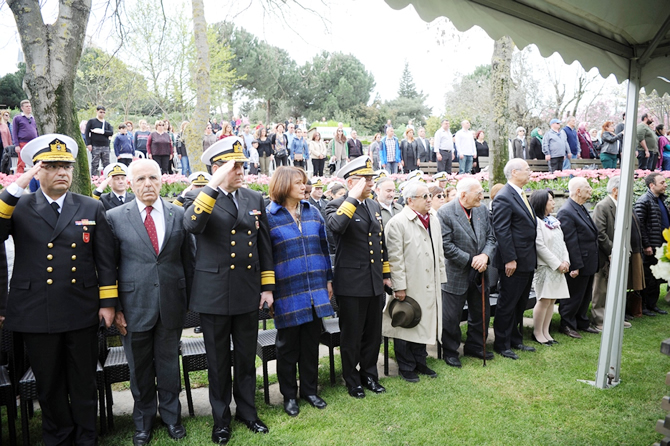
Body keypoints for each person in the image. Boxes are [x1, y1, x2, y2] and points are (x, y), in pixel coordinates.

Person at [0, 134, 117, 444]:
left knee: (82, 379)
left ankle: (86, 436)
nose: (62, 172)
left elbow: (105, 261)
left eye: (66, 166)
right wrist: (18, 184)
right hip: (36, 311)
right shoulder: (20, 205)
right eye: (52, 166)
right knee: (49, 383)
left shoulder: (90, 207)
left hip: (80, 308)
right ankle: (58, 435)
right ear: (38, 171)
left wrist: (108, 304)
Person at [182, 136, 275, 443]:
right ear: (217, 168)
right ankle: (221, 420)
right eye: (235, 167)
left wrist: (267, 287)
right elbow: (192, 225)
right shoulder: (199, 196)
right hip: (214, 293)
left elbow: (264, 247)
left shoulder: (252, 198)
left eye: (243, 166)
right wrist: (212, 185)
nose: (241, 171)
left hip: (247, 291)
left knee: (246, 359)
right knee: (219, 362)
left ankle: (247, 412)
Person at [107, 159, 195, 445]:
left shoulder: (177, 213)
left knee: (169, 366)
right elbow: (109, 266)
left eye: (153, 178)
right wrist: (116, 307)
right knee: (140, 369)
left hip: (171, 303)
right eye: (141, 179)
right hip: (133, 307)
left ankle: (172, 418)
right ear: (131, 183)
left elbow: (188, 261)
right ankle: (143, 422)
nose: (148, 184)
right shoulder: (116, 216)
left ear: (162, 181)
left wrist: (189, 300)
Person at [265, 167, 334, 416]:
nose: (304, 187)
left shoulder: (313, 212)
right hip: (287, 291)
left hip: (315, 288)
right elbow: (266, 258)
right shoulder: (269, 216)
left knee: (310, 344)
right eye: (298, 183)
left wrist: (327, 279)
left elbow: (324, 249)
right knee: (287, 347)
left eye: (305, 183)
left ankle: (310, 390)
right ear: (283, 185)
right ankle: (288, 396)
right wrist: (268, 290)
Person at [325, 156, 391, 398]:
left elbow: (380, 244)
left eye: (372, 178)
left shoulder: (373, 206)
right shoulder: (336, 204)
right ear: (352, 182)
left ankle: (369, 375)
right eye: (366, 179)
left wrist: (385, 275)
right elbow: (337, 226)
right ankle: (352, 380)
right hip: (352, 285)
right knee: (352, 336)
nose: (371, 183)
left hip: (374, 282)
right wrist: (352, 197)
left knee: (373, 335)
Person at [383, 181, 446, 382]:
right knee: (406, 323)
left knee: (424, 322)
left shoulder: (433, 219)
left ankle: (421, 361)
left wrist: (441, 277)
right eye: (424, 196)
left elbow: (440, 252)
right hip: (410, 284)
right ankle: (406, 366)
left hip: (430, 281)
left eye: (430, 196)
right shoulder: (397, 223)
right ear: (410, 200)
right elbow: (395, 259)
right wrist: (399, 287)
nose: (429, 200)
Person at [438, 177, 496, 367]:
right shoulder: (445, 213)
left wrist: (485, 256)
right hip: (457, 271)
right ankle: (451, 351)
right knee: (451, 316)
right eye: (478, 193)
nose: (482, 196)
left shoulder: (481, 209)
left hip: (481, 270)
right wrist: (472, 260)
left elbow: (491, 237)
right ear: (463, 195)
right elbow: (446, 246)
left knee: (481, 312)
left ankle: (476, 346)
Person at [491, 159, 537, 360]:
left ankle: (515, 339)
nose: (530, 172)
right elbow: (501, 230)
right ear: (514, 172)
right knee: (507, 303)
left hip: (526, 259)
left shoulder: (519, 193)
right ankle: (502, 343)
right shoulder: (504, 197)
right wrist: (510, 259)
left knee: (520, 302)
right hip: (514, 261)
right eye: (527, 170)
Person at [556, 177, 600, 338]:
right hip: (578, 262)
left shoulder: (580, 207)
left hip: (589, 260)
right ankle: (567, 324)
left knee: (585, 294)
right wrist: (574, 265)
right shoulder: (567, 211)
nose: (590, 190)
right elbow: (569, 241)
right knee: (574, 295)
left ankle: (582, 321)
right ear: (578, 191)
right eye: (587, 187)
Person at [590, 176, 632, 331]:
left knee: (616, 288)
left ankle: (615, 318)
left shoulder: (620, 205)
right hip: (604, 255)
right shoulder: (603, 206)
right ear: (615, 191)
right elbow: (600, 233)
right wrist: (611, 251)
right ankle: (599, 320)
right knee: (600, 288)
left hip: (619, 253)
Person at [529, 190, 570, 345]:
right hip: (546, 267)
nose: (553, 203)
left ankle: (546, 331)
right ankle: (538, 332)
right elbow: (540, 246)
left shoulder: (553, 220)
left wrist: (566, 261)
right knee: (544, 299)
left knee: (552, 300)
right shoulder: (537, 222)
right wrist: (557, 263)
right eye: (550, 200)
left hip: (559, 267)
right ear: (541, 203)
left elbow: (562, 242)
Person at [634, 172, 670, 316]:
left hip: (661, 246)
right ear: (651, 185)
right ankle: (644, 306)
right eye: (662, 182)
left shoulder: (660, 199)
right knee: (648, 277)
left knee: (655, 278)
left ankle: (652, 304)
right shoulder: (644, 201)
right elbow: (639, 225)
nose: (665, 185)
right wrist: (646, 245)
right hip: (651, 247)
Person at [85, 105, 114, 177]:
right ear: (97, 111)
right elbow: (86, 133)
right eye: (101, 112)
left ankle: (107, 179)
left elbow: (111, 132)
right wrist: (88, 144)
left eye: (104, 112)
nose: (102, 114)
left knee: (106, 164)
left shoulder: (107, 124)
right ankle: (94, 179)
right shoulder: (92, 121)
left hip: (105, 146)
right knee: (95, 164)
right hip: (95, 145)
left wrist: (102, 131)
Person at [12, 99, 39, 174]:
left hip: (33, 143)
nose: (29, 108)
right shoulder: (17, 118)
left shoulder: (33, 118)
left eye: (30, 106)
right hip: (22, 142)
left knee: (34, 161)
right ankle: (19, 178)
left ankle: (35, 178)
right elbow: (14, 132)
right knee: (21, 162)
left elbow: (37, 131)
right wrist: (16, 145)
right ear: (22, 108)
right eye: (27, 106)